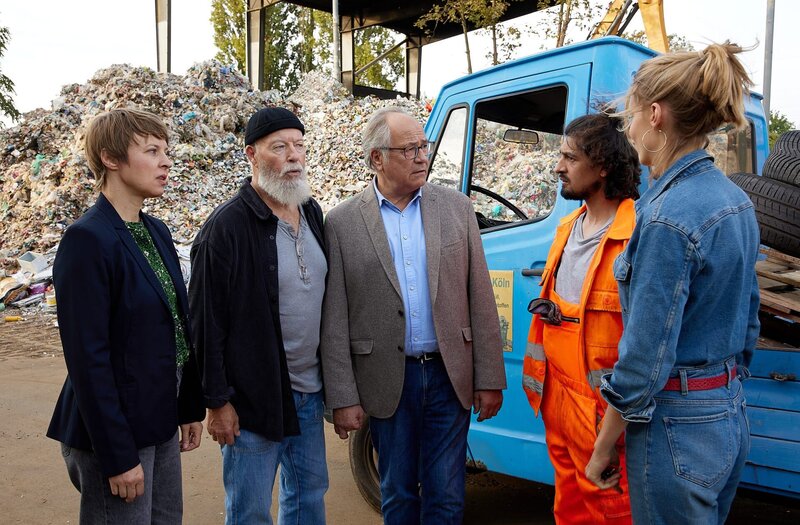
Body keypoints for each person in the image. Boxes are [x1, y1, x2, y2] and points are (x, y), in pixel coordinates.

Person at [585, 42, 760, 524]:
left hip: (676, 424)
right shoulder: (735, 200)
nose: (629, 128)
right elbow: (748, 321)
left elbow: (644, 357)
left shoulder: (666, 217)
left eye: (633, 115)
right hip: (726, 413)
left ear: (657, 115)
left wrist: (604, 446)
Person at [320, 106, 507, 525]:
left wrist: (490, 378)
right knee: (399, 495)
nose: (423, 155)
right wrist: (343, 397)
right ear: (377, 159)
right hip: (386, 380)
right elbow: (334, 316)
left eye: (424, 146)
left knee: (446, 496)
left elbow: (480, 297)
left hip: (448, 375)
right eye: (409, 149)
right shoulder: (343, 222)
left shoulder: (456, 209)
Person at [47, 108, 205, 524]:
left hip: (159, 414)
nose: (166, 161)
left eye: (166, 151)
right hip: (114, 430)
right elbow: (88, 360)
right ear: (110, 159)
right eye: (152, 150)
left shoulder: (155, 231)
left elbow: (177, 325)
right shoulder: (87, 239)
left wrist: (188, 405)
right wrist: (117, 456)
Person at [189, 107, 328, 524]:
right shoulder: (226, 228)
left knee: (307, 500)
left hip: (308, 392)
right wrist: (217, 402)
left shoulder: (312, 213)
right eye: (279, 147)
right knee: (249, 511)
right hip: (251, 400)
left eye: (300, 146)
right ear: (251, 154)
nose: (294, 156)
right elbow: (205, 322)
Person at [523, 113, 641, 524]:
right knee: (568, 510)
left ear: (603, 166)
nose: (559, 167)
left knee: (610, 514)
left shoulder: (636, 235)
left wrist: (610, 431)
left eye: (570, 158)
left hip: (599, 413)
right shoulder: (568, 226)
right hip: (555, 399)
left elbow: (641, 350)